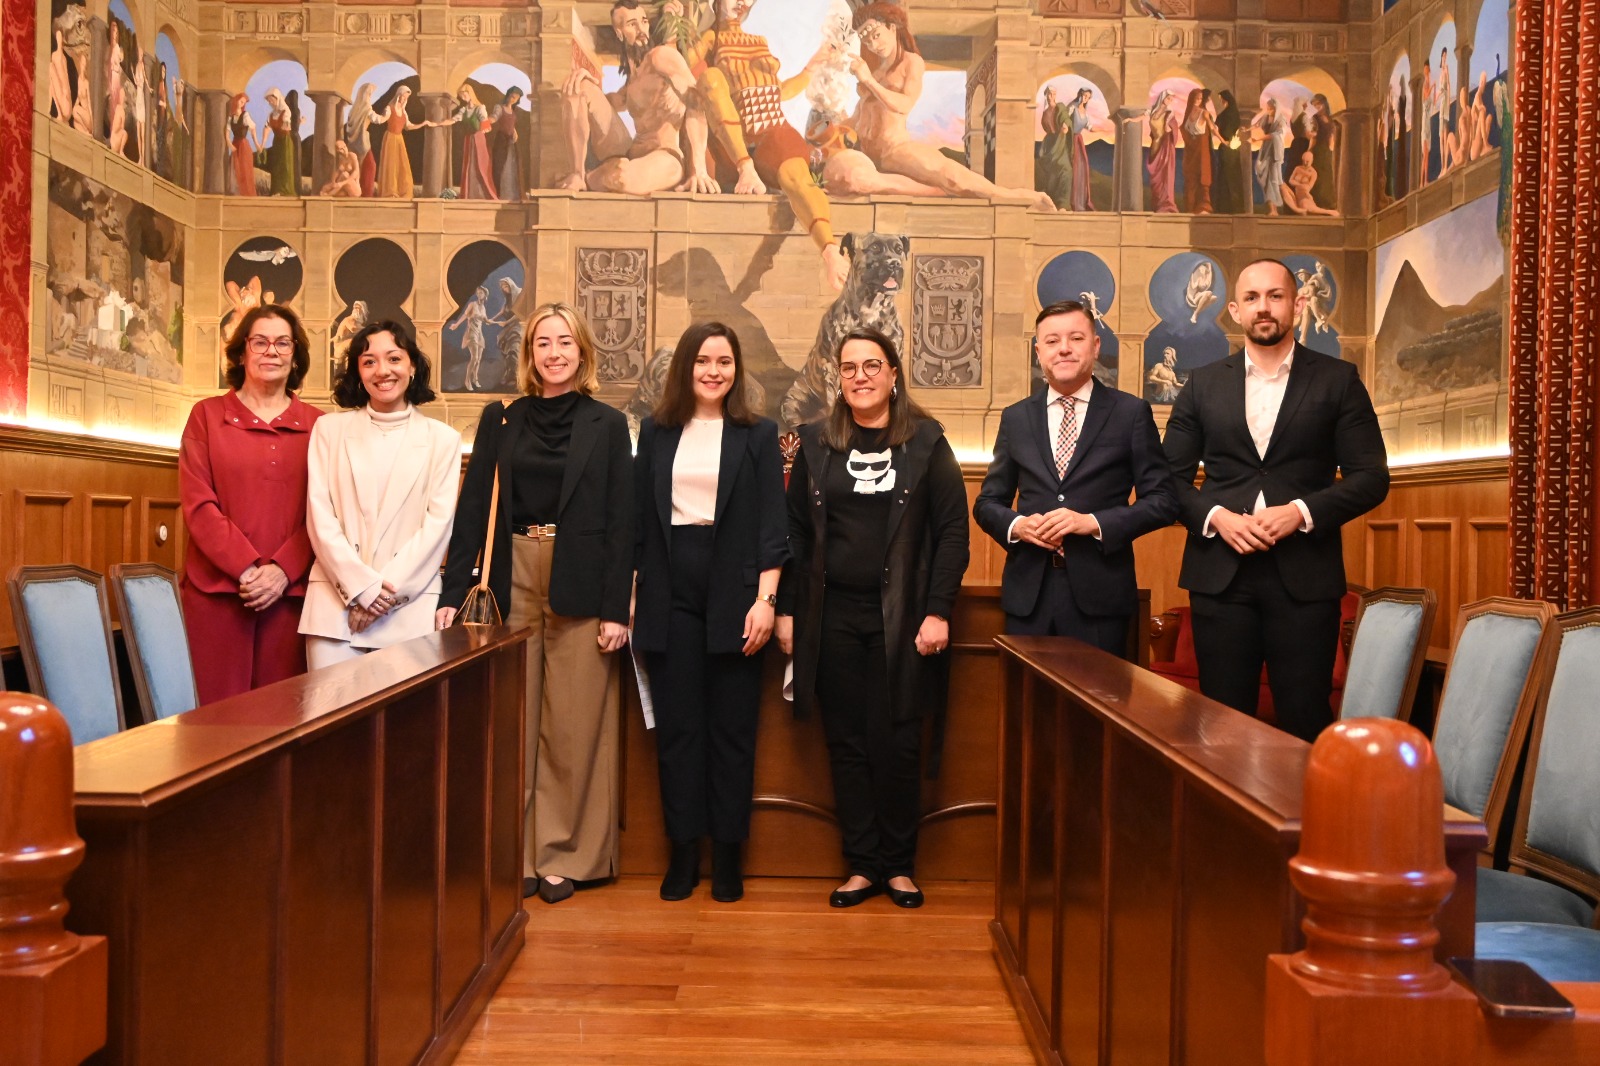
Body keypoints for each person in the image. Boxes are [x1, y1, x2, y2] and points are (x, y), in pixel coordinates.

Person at [437, 303, 633, 904]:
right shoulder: (501, 419)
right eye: (543, 342)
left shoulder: (608, 424)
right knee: (513, 720)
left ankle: (562, 855)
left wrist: (617, 609)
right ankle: (515, 852)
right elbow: (474, 506)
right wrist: (452, 593)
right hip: (511, 572)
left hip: (582, 577)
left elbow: (622, 521)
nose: (554, 352)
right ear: (529, 354)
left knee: (573, 725)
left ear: (583, 351)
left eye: (565, 342)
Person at [775, 327, 969, 910]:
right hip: (831, 616)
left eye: (872, 365)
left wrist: (938, 610)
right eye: (849, 367)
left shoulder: (927, 441)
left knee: (898, 741)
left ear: (893, 374)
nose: (860, 376)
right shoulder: (815, 443)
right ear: (839, 378)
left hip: (904, 618)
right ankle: (861, 865)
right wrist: (787, 609)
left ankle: (898, 866)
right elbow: (794, 533)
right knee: (847, 742)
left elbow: (952, 533)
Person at [1162, 259, 1389, 742]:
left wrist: (1301, 513)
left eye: (1275, 295)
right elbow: (1167, 481)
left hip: (1306, 579)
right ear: (1234, 310)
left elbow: (1372, 478)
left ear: (1297, 303)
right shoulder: (1201, 384)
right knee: (1220, 730)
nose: (1263, 307)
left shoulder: (1338, 379)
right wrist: (1217, 518)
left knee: (1304, 724)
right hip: (1220, 578)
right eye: (1252, 298)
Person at [632, 322, 788, 904]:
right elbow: (638, 521)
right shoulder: (655, 431)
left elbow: (773, 525)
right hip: (668, 590)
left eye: (724, 361)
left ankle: (727, 858)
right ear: (685, 368)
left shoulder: (759, 434)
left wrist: (766, 601)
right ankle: (682, 856)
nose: (713, 371)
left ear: (736, 369)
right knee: (678, 733)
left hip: (737, 595)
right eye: (702, 361)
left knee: (732, 733)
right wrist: (630, 596)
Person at [974, 302, 1177, 652]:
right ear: (1039, 352)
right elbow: (988, 503)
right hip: (1029, 597)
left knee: (1097, 690)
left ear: (1095, 346)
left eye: (1076, 338)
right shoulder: (1016, 418)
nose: (1064, 348)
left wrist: (1093, 523)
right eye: (1052, 341)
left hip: (1101, 598)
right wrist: (1018, 526)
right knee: (1027, 690)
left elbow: (1163, 501)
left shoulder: (1130, 413)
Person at [178, 305, 323, 704]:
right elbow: (198, 504)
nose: (271, 351)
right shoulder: (205, 416)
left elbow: (326, 514)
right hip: (217, 596)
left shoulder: (320, 426)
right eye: (260, 341)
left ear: (296, 355)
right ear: (241, 352)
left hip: (291, 597)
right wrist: (247, 569)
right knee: (213, 719)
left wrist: (282, 571)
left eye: (282, 343)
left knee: (282, 718)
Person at [300, 323, 461, 669]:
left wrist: (382, 597)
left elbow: (437, 527)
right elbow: (320, 516)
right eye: (369, 361)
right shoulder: (328, 430)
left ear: (412, 365)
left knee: (406, 706)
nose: (382, 370)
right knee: (332, 705)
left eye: (394, 358)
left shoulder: (443, 440)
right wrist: (362, 590)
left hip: (409, 610)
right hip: (335, 609)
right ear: (357, 372)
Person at [847, 4, 1053, 210]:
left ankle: (1021, 197)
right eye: (867, 41)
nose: (873, 44)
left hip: (895, 151)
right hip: (868, 156)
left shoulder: (911, 63)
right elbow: (857, 117)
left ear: (892, 27)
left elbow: (905, 104)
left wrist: (869, 82)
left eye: (876, 35)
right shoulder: (876, 73)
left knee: (952, 178)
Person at [558, 0, 716, 196]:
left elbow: (696, 100)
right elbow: (607, 104)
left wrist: (698, 170)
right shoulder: (633, 80)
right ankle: (577, 174)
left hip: (665, 157)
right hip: (631, 152)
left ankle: (589, 177)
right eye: (632, 24)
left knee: (620, 176)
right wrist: (585, 80)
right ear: (619, 32)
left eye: (644, 21)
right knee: (578, 87)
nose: (641, 29)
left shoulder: (661, 56)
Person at [437, 83, 498, 199]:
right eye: (461, 96)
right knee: (469, 165)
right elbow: (453, 120)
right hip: (469, 140)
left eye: (464, 95)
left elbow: (485, 124)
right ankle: (470, 194)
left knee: (480, 165)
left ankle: (484, 194)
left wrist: (484, 127)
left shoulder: (480, 108)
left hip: (478, 139)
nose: (463, 98)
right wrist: (438, 123)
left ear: (470, 94)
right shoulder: (464, 110)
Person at [374, 85, 425, 198]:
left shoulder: (403, 111)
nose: (404, 99)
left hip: (399, 140)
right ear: (398, 95)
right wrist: (371, 115)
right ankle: (391, 191)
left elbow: (408, 126)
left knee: (402, 165)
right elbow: (382, 119)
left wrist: (422, 124)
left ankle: (403, 191)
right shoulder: (389, 108)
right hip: (390, 138)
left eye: (406, 98)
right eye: (403, 97)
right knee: (391, 165)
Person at [489, 86, 525, 201]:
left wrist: (515, 133)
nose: (513, 99)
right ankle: (499, 194)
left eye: (516, 98)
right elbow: (494, 117)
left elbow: (511, 125)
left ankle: (511, 195)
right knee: (500, 166)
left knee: (511, 168)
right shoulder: (499, 107)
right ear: (508, 95)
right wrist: (487, 120)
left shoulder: (513, 111)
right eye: (512, 96)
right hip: (501, 141)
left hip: (511, 142)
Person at [1146, 89, 1179, 213]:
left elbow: (1174, 127)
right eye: (1168, 98)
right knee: (1155, 178)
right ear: (1163, 97)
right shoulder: (1153, 110)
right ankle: (1157, 203)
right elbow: (1144, 117)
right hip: (1155, 146)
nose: (1170, 101)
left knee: (1165, 175)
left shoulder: (1169, 113)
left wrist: (1170, 128)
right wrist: (1131, 120)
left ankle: (1166, 204)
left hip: (1165, 146)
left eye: (1171, 99)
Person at [228, 93, 259, 196]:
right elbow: (226, 134)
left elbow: (253, 128)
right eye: (241, 101)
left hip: (243, 145)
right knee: (235, 169)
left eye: (243, 103)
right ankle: (238, 194)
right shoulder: (231, 118)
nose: (242, 104)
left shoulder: (245, 115)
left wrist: (256, 143)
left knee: (244, 170)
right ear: (236, 100)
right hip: (235, 145)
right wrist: (230, 144)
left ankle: (247, 194)